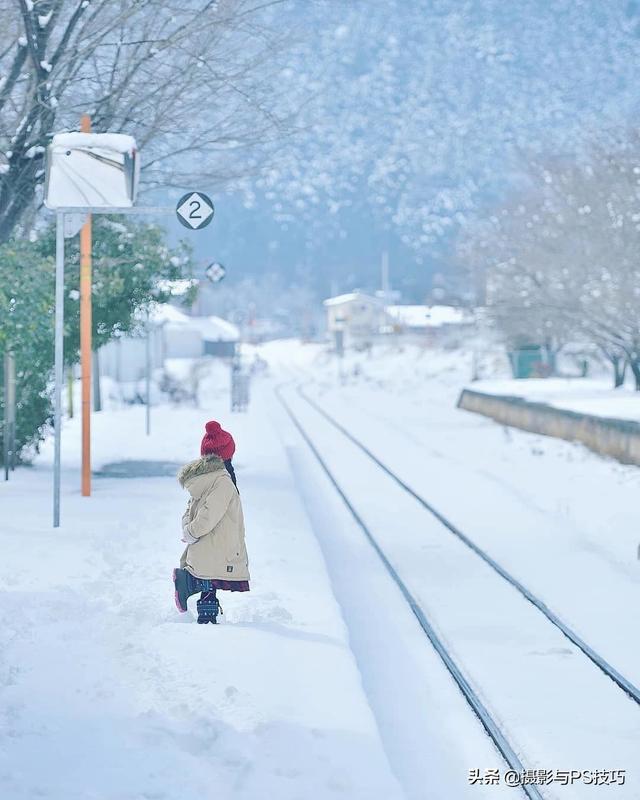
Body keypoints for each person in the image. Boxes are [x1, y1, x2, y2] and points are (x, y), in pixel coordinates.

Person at [173, 420, 250, 624]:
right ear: (227, 454)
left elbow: (190, 509)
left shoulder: (205, 478)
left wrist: (188, 529)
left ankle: (197, 598)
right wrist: (192, 532)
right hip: (216, 543)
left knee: (209, 580)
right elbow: (208, 514)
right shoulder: (222, 481)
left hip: (208, 545)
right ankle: (203, 613)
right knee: (210, 580)